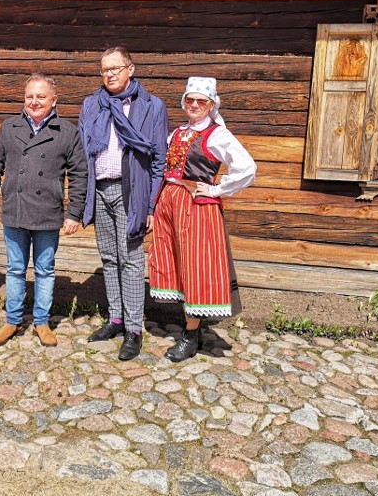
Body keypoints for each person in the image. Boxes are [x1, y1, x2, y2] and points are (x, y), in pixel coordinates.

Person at [149, 77, 256, 362]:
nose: (194, 105)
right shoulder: (177, 133)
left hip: (197, 208)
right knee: (178, 264)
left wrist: (218, 189)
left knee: (196, 268)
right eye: (189, 100)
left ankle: (190, 334)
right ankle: (191, 328)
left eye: (201, 101)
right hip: (169, 204)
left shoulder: (217, 134)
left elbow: (247, 168)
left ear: (212, 105)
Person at [0, 73, 88, 347]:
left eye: (41, 96)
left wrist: (74, 213)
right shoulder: (9, 127)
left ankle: (42, 322)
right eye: (30, 96)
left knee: (44, 269)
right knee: (16, 269)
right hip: (15, 211)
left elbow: (80, 175)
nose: (34, 101)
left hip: (48, 213)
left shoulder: (67, 132)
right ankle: (12, 321)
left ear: (54, 100)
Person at [79, 47, 169, 361]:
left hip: (133, 193)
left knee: (130, 260)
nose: (109, 74)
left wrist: (151, 207)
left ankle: (133, 329)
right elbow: (84, 154)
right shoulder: (92, 104)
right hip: (100, 189)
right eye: (104, 69)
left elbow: (159, 161)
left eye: (115, 68)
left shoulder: (152, 106)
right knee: (108, 256)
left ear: (130, 69)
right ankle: (115, 319)